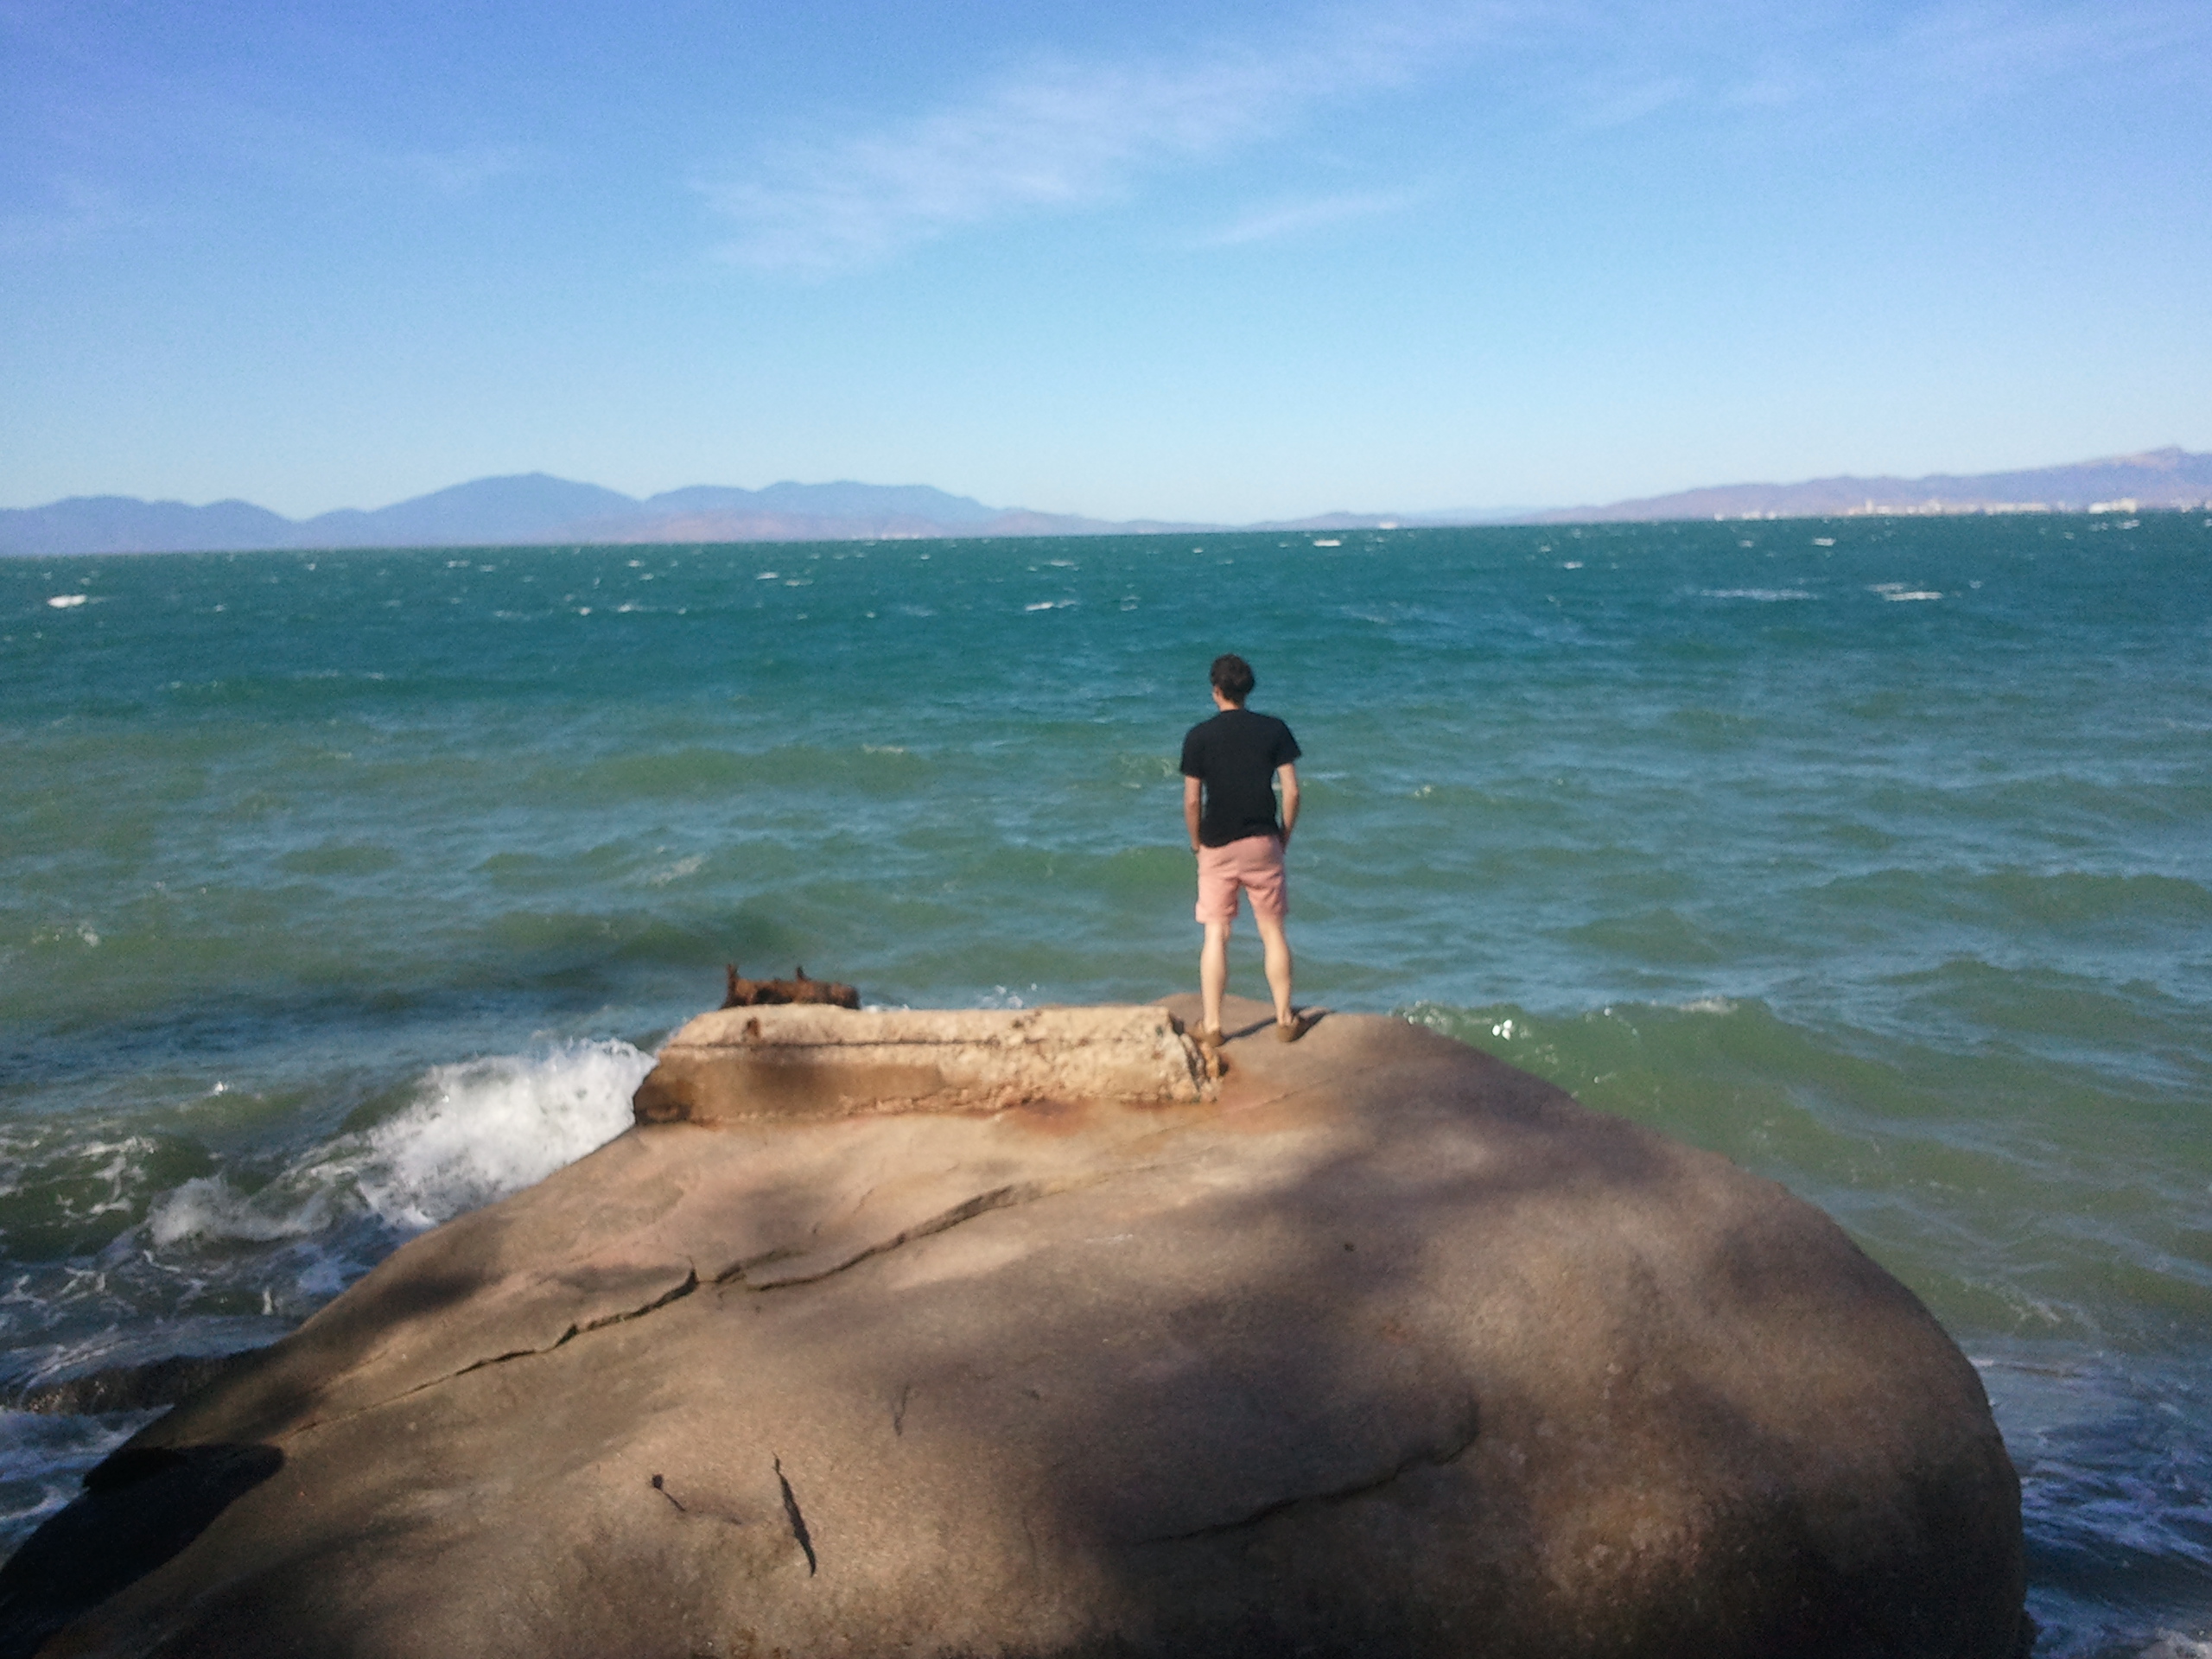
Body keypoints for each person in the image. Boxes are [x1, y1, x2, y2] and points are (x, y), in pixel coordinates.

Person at [1179, 652, 1304, 1056]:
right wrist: (1283, 835)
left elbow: (1192, 801)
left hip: (1217, 843)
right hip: (1263, 840)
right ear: (1247, 690)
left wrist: (1197, 843)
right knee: (1272, 930)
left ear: (1216, 690)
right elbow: (1292, 791)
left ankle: (1213, 1025)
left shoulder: (1198, 736)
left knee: (1216, 933)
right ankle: (1284, 1019)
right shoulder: (1274, 730)